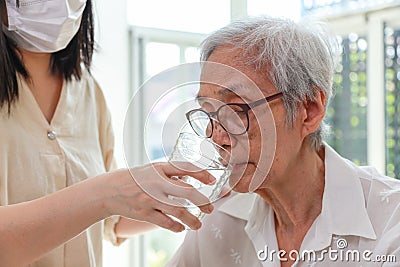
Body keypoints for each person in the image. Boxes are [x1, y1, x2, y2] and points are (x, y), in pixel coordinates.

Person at [167, 16, 400, 266]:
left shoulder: (390, 222)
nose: (216, 137)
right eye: (208, 112)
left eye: (237, 109)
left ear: (309, 109)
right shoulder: (217, 220)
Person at [0, 1, 215, 266]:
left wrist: (179, 190)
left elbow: (111, 222)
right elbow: (103, 200)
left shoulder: (87, 91)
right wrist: (105, 193)